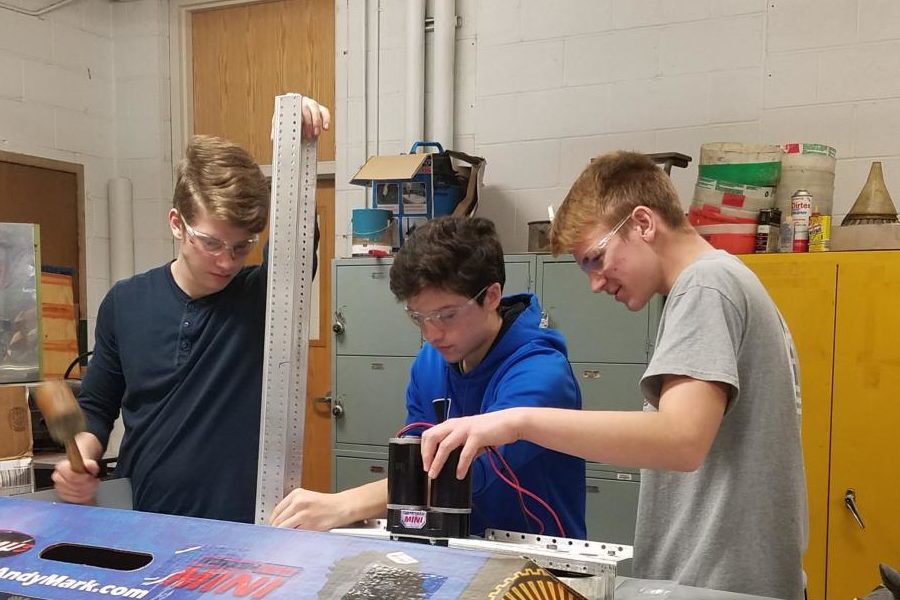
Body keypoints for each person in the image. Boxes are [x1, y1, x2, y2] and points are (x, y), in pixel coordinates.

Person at [420, 152, 808, 600]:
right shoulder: (718, 283)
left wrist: (514, 421)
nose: (595, 283)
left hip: (720, 585)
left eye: (596, 258)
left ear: (643, 223)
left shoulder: (706, 287)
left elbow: (680, 438)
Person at [50, 98, 330, 523]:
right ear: (176, 223)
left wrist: (291, 149)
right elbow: (97, 406)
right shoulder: (125, 303)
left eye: (242, 247)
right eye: (212, 243)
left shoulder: (264, 299)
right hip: (144, 522)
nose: (227, 261)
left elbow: (296, 246)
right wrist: (81, 457)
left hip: (241, 528)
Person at [271, 216, 586, 539]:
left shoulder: (542, 373)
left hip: (537, 563)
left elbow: (465, 474)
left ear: (491, 296)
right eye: (419, 318)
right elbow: (417, 462)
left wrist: (346, 504)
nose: (432, 334)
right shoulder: (430, 363)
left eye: (447, 315)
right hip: (456, 551)